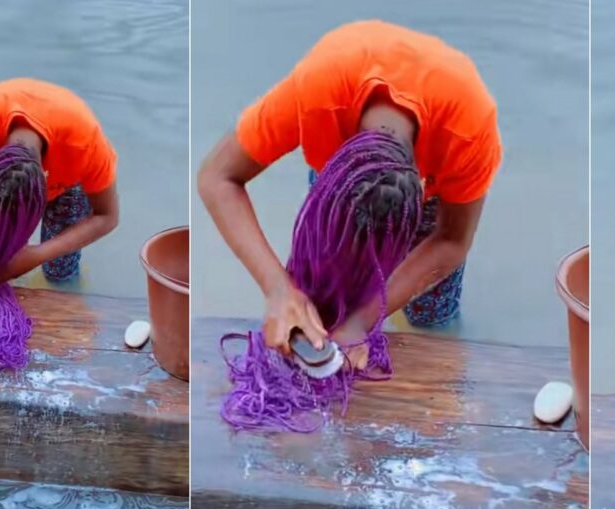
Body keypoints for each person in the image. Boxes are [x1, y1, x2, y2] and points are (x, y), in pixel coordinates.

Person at [197, 20, 502, 368]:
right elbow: (217, 177)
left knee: (431, 316)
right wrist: (277, 288)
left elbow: (451, 240)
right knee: (324, 295)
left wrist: (363, 321)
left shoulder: (469, 132)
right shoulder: (318, 92)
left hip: (432, 197)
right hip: (342, 159)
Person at [0, 78, 120, 325]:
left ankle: (59, 283)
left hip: (70, 182)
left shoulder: (85, 143)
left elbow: (107, 217)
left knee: (58, 271)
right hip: (4, 162)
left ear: (48, 181)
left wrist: (36, 255)